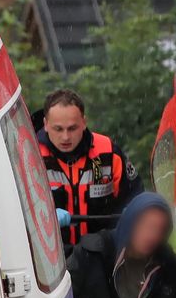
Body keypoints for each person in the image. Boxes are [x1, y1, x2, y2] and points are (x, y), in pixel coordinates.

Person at [36, 88, 141, 249]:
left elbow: (137, 198)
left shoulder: (108, 152)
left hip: (102, 256)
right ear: (45, 125)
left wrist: (133, 212)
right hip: (50, 260)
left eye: (72, 128)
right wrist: (41, 218)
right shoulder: (30, 158)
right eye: (58, 129)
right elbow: (1, 219)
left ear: (84, 123)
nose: (65, 137)